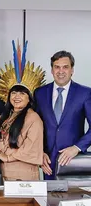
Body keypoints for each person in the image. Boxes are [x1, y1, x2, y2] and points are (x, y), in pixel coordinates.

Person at [35, 51, 91, 180]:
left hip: (73, 159)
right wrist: (40, 152)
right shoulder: (40, 93)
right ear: (52, 70)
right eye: (57, 67)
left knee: (73, 199)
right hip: (47, 161)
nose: (61, 71)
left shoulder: (85, 93)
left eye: (65, 67)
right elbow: (35, 127)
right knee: (48, 199)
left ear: (72, 70)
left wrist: (76, 148)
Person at [0, 85, 43, 180]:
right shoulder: (4, 116)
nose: (17, 96)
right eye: (14, 93)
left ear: (29, 99)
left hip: (23, 173)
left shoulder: (33, 118)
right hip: (1, 171)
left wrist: (8, 158)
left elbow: (31, 147)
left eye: (22, 93)